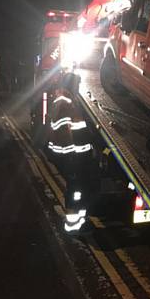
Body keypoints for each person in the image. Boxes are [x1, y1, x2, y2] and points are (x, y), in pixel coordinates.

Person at [46, 73, 94, 233]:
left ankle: (80, 222)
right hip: (71, 157)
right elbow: (67, 135)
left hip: (71, 157)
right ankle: (73, 227)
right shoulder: (65, 103)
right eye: (77, 84)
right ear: (71, 85)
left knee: (79, 189)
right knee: (75, 192)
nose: (78, 87)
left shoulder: (65, 101)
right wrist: (77, 156)